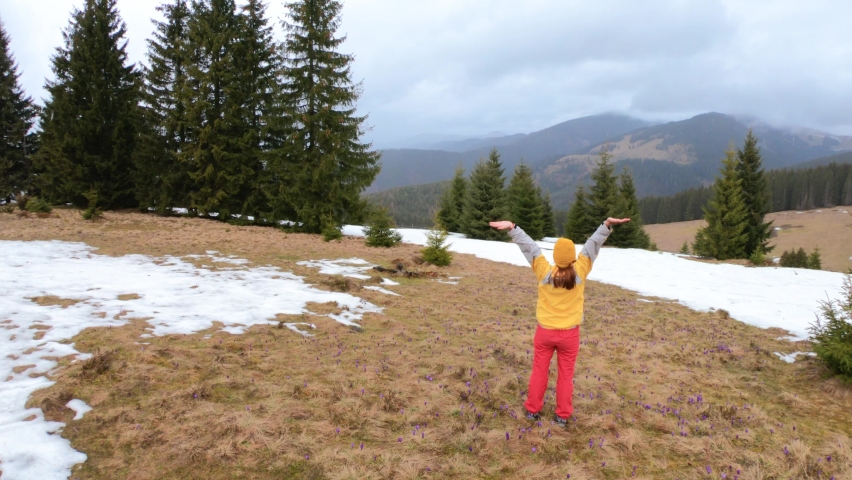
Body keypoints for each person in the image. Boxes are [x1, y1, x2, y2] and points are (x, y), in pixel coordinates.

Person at [489, 217, 630, 425]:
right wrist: (606, 225)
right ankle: (562, 416)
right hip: (569, 334)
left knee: (539, 371)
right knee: (565, 376)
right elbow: (592, 245)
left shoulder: (544, 271)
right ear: (573, 257)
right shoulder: (580, 269)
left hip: (545, 332)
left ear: (555, 256)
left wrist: (513, 228)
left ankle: (532, 411)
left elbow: (530, 248)